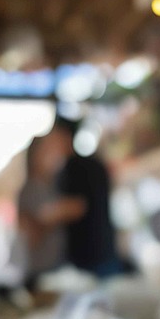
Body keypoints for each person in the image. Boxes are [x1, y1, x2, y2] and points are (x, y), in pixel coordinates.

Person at [48, 117, 121, 278]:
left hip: (87, 260)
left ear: (65, 136)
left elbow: (76, 207)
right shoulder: (96, 164)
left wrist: (44, 216)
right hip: (106, 251)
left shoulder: (71, 168)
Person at [16, 131, 67, 291]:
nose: (56, 157)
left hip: (53, 270)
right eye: (49, 151)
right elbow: (32, 231)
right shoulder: (31, 188)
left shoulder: (50, 186)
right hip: (38, 274)